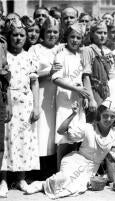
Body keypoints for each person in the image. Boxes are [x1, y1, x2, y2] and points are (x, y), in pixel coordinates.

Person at [24, 98, 115, 198]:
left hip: (90, 169)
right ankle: (42, 184)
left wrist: (114, 181)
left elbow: (111, 158)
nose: (108, 119)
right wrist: (73, 114)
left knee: (77, 187)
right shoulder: (88, 128)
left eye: (112, 116)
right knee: (64, 178)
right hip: (75, 160)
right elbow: (60, 131)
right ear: (99, 114)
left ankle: (46, 185)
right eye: (105, 115)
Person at [0, 18, 40, 196]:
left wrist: (36, 106)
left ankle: (21, 178)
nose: (18, 38)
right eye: (14, 35)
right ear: (9, 37)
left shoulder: (29, 56)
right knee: (7, 140)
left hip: (26, 103)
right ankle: (3, 179)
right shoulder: (4, 55)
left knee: (24, 140)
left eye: (21, 35)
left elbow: (35, 82)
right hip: (8, 101)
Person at [52, 22, 89, 168]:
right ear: (66, 37)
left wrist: (84, 96)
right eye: (72, 37)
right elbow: (56, 78)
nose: (75, 40)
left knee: (76, 134)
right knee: (63, 136)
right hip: (64, 97)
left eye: (78, 38)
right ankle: (59, 171)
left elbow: (82, 78)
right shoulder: (61, 55)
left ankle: (70, 169)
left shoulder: (80, 55)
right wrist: (76, 89)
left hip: (77, 98)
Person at [28, 17, 61, 167]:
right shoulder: (35, 49)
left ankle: (52, 166)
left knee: (53, 131)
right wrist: (49, 72)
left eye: (55, 32)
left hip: (58, 95)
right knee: (41, 131)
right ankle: (37, 167)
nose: (52, 35)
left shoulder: (61, 48)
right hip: (40, 93)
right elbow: (30, 74)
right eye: (49, 31)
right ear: (43, 32)